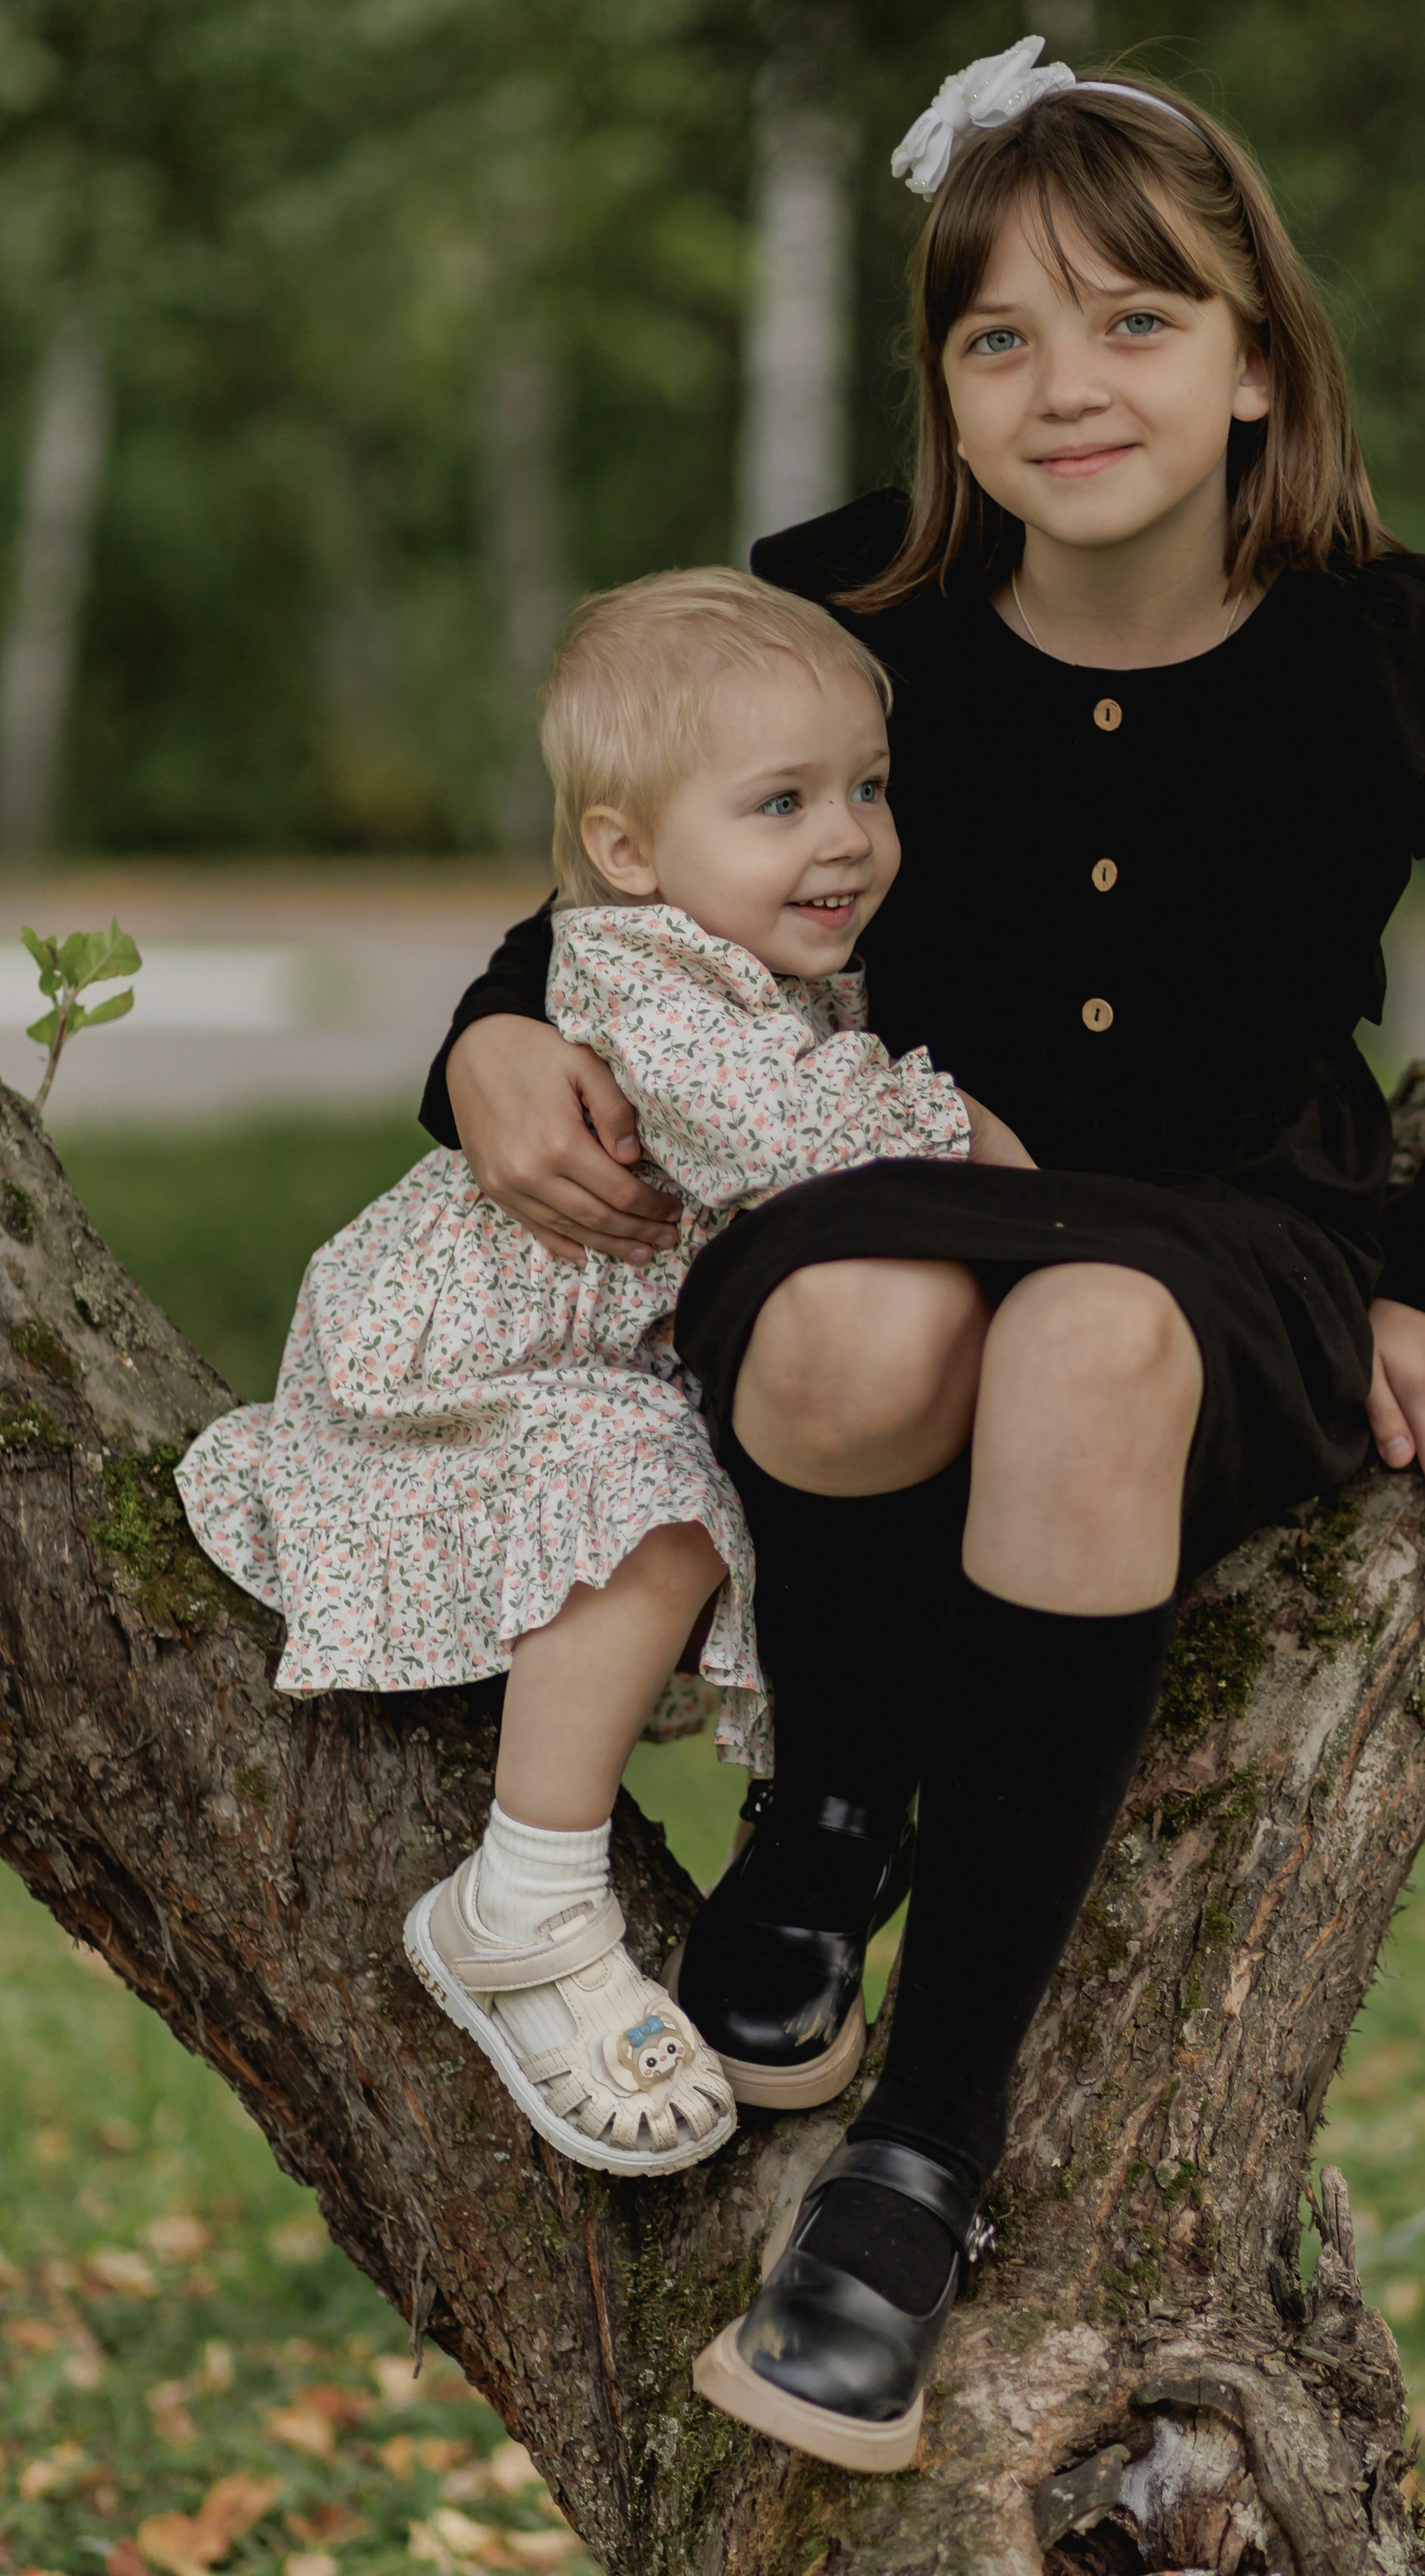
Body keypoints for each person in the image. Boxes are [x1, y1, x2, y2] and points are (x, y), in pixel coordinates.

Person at [423, 39, 1425, 2472]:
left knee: (1086, 1341)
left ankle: (921, 2161)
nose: (1067, 384)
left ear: (1257, 362)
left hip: (1237, 1251)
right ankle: (834, 1809)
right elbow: (630, 888)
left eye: (1136, 323)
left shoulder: (1394, 650)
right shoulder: (841, 608)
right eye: (1001, 336)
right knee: (876, 1328)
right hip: (887, 1194)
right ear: (943, 388)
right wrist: (483, 1042)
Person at [176, 566, 1012, 2183]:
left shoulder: (765, 958)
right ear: (629, 852)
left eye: (865, 788)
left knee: (682, 1489)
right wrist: (974, 1139)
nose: (843, 835)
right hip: (480, 1363)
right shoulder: (643, 972)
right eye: (779, 803)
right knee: (647, 1505)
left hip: (580, 1356)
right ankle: (526, 1900)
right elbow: (778, 1139)